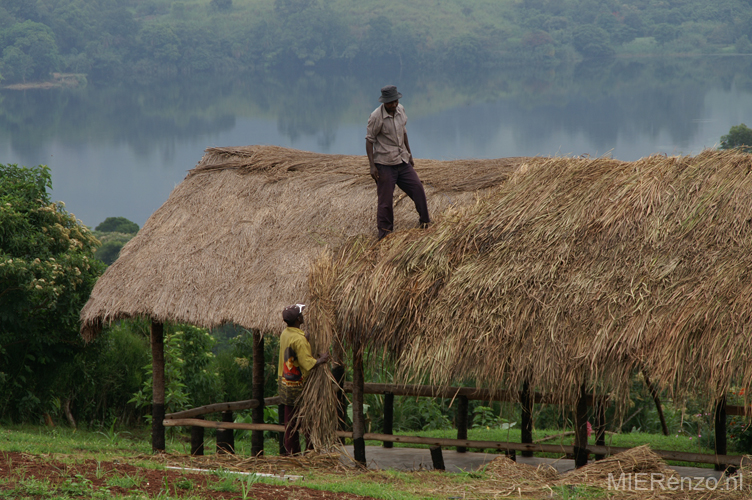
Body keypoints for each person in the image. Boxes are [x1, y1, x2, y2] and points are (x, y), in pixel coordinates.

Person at [366, 85, 431, 240]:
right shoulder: (376, 117)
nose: (394, 105)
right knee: (385, 202)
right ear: (384, 102)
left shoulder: (401, 110)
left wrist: (409, 154)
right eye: (390, 103)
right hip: (384, 164)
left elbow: (403, 132)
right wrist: (372, 166)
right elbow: (369, 141)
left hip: (402, 160)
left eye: (395, 101)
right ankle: (385, 234)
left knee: (418, 189)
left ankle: (425, 222)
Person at [277, 303, 329, 455]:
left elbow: (293, 348)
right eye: (302, 314)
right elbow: (308, 364)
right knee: (307, 418)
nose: (303, 315)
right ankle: (309, 451)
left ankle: (292, 452)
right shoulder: (299, 340)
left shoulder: (286, 333)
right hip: (298, 385)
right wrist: (322, 359)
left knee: (290, 420)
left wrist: (304, 340)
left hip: (285, 382)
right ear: (298, 318)